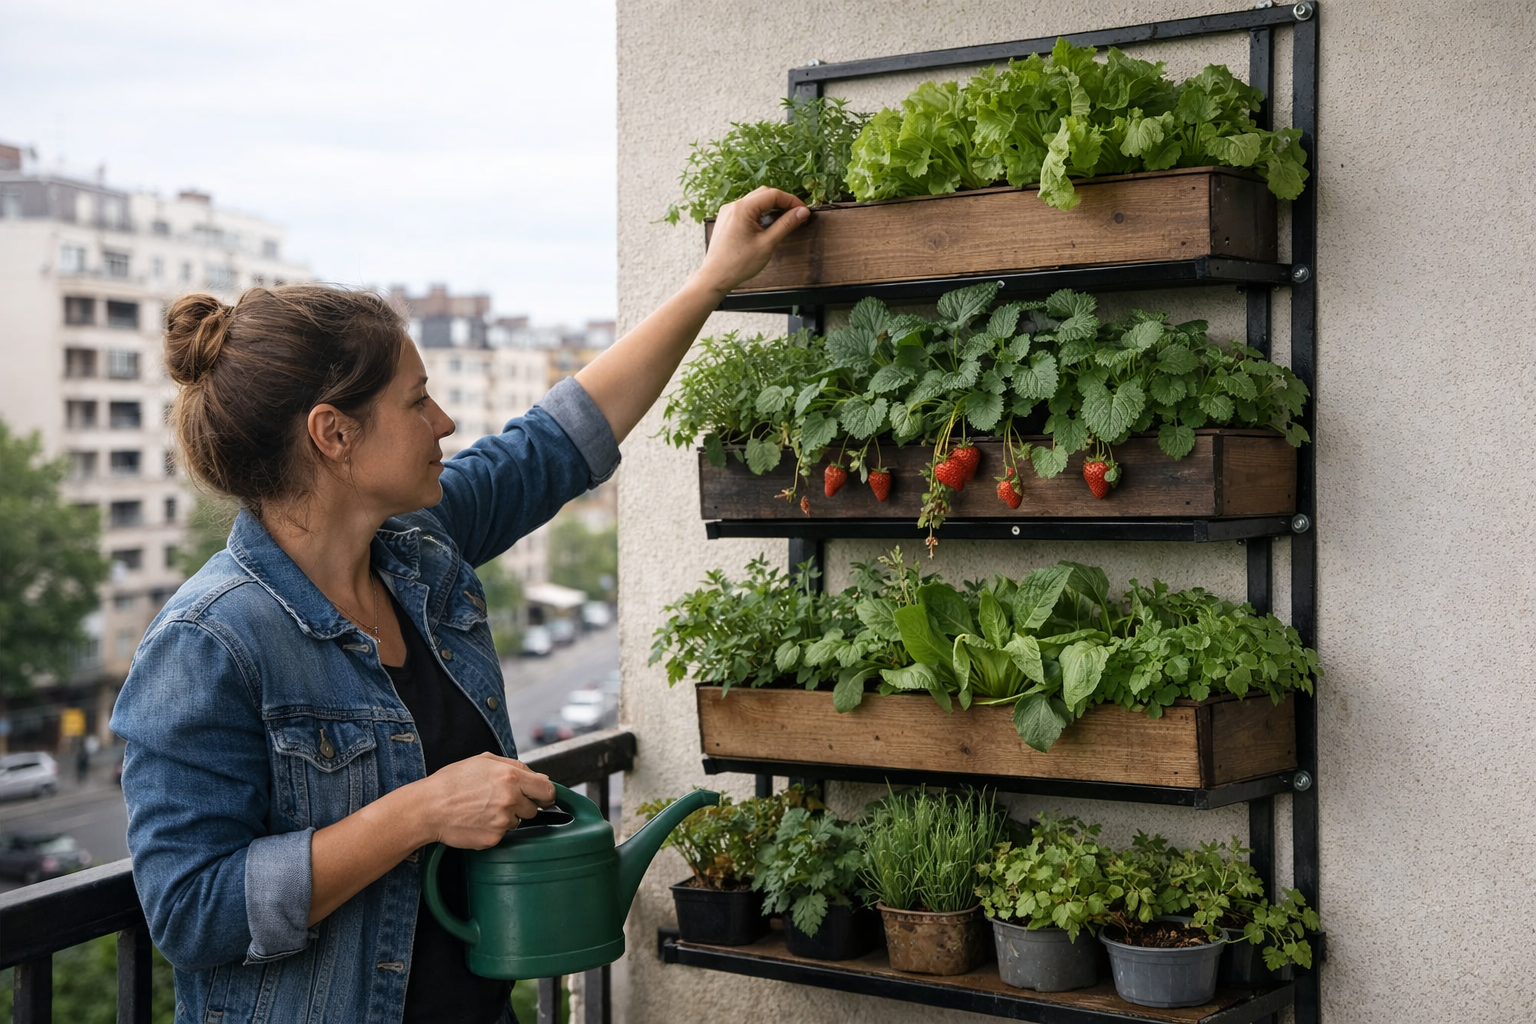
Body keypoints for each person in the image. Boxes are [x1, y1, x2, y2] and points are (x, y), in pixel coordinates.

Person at [111, 187, 808, 1024]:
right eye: (416, 401)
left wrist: (714, 280)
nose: (444, 421)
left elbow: (560, 438)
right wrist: (420, 812)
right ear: (334, 434)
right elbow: (193, 912)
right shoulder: (208, 642)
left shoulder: (420, 546)